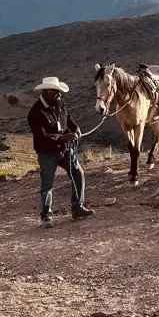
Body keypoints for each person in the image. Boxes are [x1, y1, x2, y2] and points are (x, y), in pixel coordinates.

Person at [28, 75, 94, 227]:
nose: (59, 94)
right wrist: (62, 138)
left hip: (64, 150)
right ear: (45, 92)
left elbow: (68, 120)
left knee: (78, 173)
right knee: (47, 184)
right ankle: (46, 215)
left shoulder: (60, 103)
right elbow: (42, 136)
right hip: (47, 153)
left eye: (59, 91)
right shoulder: (35, 112)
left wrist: (76, 129)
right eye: (55, 91)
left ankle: (77, 208)